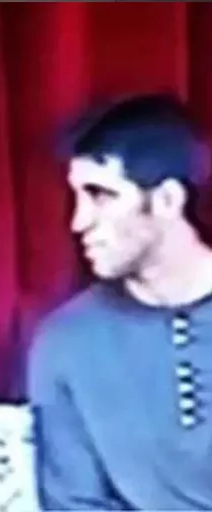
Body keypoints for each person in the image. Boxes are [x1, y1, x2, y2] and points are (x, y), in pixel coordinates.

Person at [28, 93, 212, 510]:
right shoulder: (68, 342)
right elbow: (74, 502)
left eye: (101, 196)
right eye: (77, 197)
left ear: (167, 200)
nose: (79, 222)